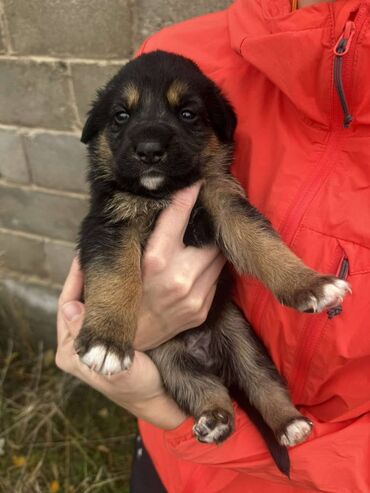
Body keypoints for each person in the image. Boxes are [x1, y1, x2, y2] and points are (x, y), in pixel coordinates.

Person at [56, 0, 370, 491]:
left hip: (313, 468)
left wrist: (294, 280)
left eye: (186, 114)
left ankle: (275, 412)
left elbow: (245, 229)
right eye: (121, 119)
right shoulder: (187, 47)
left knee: (241, 342)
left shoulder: (214, 183)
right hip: (172, 456)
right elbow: (109, 255)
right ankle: (211, 410)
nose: (150, 141)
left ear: (220, 129)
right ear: (97, 130)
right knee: (172, 359)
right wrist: (115, 326)